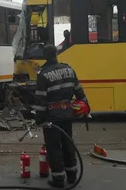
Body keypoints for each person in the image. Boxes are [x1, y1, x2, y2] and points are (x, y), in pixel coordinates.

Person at [33, 44, 89, 188]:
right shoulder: (69, 69)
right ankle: (72, 176)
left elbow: (40, 100)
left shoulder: (43, 74)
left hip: (52, 117)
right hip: (67, 114)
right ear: (56, 54)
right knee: (68, 144)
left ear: (45, 56)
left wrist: (39, 119)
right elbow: (80, 93)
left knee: (54, 147)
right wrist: (86, 108)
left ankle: (58, 179)